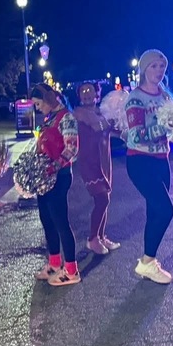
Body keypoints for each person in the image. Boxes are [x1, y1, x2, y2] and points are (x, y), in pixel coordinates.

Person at [124, 49, 173, 284]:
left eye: (162, 66)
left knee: (154, 212)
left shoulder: (166, 96)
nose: (159, 70)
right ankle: (147, 261)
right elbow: (136, 135)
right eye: (154, 66)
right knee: (166, 210)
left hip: (162, 159)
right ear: (144, 69)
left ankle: (149, 261)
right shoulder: (135, 98)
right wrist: (165, 127)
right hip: (140, 160)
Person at [32, 82, 81, 286]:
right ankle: (54, 263)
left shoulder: (66, 118)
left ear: (49, 99)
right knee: (47, 219)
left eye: (38, 103)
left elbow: (72, 149)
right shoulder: (49, 118)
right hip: (45, 177)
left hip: (59, 176)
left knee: (60, 221)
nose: (37, 108)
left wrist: (53, 166)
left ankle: (71, 270)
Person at [73, 81, 119, 255]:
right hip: (89, 161)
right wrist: (110, 122)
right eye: (83, 91)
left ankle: (101, 236)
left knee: (105, 197)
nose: (86, 93)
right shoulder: (80, 113)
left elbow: (111, 130)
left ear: (97, 94)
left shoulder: (102, 112)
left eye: (89, 90)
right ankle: (92, 239)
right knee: (102, 199)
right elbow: (98, 126)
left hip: (103, 160)